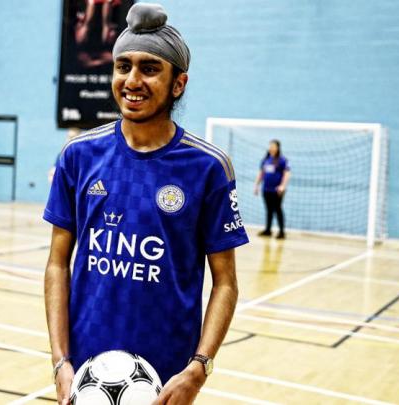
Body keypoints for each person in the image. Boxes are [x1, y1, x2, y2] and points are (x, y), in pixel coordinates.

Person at [43, 3, 249, 404]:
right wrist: (59, 360)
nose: (132, 80)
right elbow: (56, 264)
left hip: (167, 382)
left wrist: (199, 368)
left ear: (178, 84)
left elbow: (225, 283)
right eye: (123, 67)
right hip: (85, 376)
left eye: (149, 69)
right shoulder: (78, 155)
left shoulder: (208, 168)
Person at [254, 140, 290, 239]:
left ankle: (281, 232)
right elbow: (261, 173)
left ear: (278, 148)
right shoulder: (265, 160)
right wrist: (256, 185)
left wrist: (282, 186)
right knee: (269, 210)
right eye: (270, 146)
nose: (272, 148)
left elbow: (287, 174)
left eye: (274, 146)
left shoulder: (282, 160)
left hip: (277, 190)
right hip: (266, 189)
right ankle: (268, 230)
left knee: (278, 209)